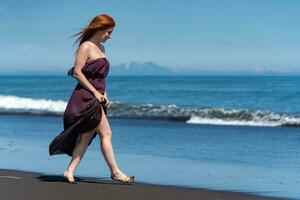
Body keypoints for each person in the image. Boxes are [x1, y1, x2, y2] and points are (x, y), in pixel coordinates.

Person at [49, 14, 134, 184]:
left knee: (86, 137)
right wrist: (95, 93)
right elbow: (77, 72)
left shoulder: (102, 49)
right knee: (106, 133)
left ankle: (69, 171)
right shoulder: (86, 47)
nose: (110, 36)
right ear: (99, 29)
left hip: (98, 97)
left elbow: (101, 78)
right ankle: (116, 172)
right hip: (85, 97)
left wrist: (105, 95)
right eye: (108, 32)